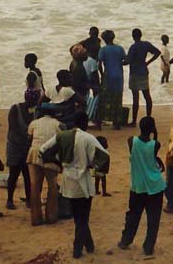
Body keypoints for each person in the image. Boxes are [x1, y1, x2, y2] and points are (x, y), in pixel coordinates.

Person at [40, 111, 110, 259]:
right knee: (83, 217)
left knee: (79, 217)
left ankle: (89, 245)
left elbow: (43, 150)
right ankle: (77, 248)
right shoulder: (88, 138)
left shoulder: (62, 136)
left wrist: (59, 163)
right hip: (83, 181)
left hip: (68, 181)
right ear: (85, 123)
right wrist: (93, 166)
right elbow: (104, 156)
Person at [118, 117, 167, 256]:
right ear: (152, 129)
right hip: (155, 186)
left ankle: (125, 240)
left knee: (133, 216)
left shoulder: (131, 141)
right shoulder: (155, 144)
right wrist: (155, 132)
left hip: (138, 187)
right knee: (153, 219)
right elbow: (154, 149)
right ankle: (148, 246)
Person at [27, 103, 64, 225]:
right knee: (52, 185)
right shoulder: (58, 124)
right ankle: (51, 216)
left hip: (34, 153)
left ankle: (36, 218)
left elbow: (29, 138)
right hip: (50, 155)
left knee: (35, 186)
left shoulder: (34, 123)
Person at [6, 85, 37, 210]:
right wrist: (27, 136)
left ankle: (29, 199)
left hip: (27, 146)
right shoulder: (15, 109)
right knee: (13, 174)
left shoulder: (35, 112)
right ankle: (9, 199)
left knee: (27, 175)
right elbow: (13, 127)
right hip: (15, 146)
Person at [126, 28, 161, 126]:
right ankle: (149, 117)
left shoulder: (133, 47)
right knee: (147, 96)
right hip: (144, 72)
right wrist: (148, 62)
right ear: (140, 35)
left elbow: (128, 60)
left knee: (135, 98)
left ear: (133, 36)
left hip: (134, 73)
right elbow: (157, 52)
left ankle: (134, 121)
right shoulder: (146, 44)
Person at [97, 30, 126, 129]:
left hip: (108, 75)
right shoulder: (120, 48)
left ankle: (102, 119)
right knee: (117, 98)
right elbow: (126, 60)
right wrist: (118, 64)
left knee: (105, 98)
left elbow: (99, 64)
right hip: (118, 76)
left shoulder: (103, 50)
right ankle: (116, 122)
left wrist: (102, 74)